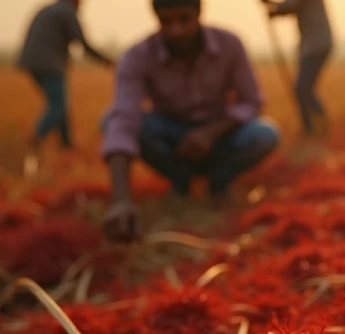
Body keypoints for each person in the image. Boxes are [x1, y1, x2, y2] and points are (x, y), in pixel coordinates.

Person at [100, 0, 281, 243]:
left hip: (220, 132)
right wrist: (121, 200)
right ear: (156, 18)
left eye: (184, 20)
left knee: (265, 134)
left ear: (198, 14)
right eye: (167, 22)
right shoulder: (138, 55)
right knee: (110, 120)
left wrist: (211, 132)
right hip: (172, 135)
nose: (176, 30)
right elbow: (124, 120)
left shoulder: (229, 44)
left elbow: (251, 102)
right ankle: (180, 181)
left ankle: (218, 183)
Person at [17, 0, 113, 152]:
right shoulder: (67, 12)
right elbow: (83, 44)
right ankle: (36, 138)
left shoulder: (50, 9)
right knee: (58, 106)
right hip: (48, 64)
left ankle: (66, 144)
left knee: (59, 103)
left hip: (32, 61)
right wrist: (107, 61)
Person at [264, 0, 334, 136]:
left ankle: (313, 125)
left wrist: (273, 9)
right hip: (314, 45)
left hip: (315, 46)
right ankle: (313, 124)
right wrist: (272, 5)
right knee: (304, 89)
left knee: (302, 89)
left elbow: (290, 6)